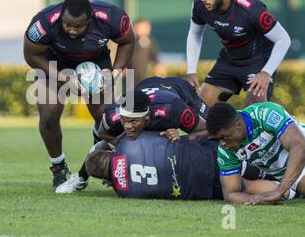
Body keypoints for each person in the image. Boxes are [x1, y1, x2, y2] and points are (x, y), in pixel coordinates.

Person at [23, 0, 135, 189]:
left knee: (106, 118)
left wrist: (114, 72)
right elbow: (31, 54)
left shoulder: (111, 17)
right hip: (54, 64)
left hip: (96, 64)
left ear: (90, 20)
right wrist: (63, 77)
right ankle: (58, 168)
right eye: (67, 25)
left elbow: (128, 41)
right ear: (61, 18)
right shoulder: (44, 21)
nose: (72, 30)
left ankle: (101, 153)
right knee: (49, 115)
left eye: (78, 26)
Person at [55, 82, 208, 193]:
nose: (127, 126)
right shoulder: (114, 114)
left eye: (133, 121)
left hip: (179, 90)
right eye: (124, 121)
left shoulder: (172, 109)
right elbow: (103, 134)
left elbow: (205, 130)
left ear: (147, 117)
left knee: (216, 131)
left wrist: (181, 138)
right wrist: (119, 146)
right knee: (103, 144)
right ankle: (81, 178)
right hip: (146, 85)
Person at [186, 0, 291, 107]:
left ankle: (294, 128)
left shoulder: (252, 10)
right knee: (200, 110)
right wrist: (191, 70)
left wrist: (266, 72)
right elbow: (194, 33)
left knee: (255, 115)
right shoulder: (199, 5)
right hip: (229, 59)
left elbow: (283, 39)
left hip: (258, 61)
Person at [84, 132, 287, 200]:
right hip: (203, 156)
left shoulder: (123, 192)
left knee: (246, 187)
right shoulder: (127, 142)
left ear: (104, 179)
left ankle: (290, 190)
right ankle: (286, 165)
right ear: (109, 152)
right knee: (244, 157)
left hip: (202, 188)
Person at [206, 102, 305, 204]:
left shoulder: (264, 114)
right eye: (218, 140)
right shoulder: (225, 150)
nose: (222, 143)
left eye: (224, 137)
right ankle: (292, 191)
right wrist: (256, 199)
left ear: (237, 126)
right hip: (289, 173)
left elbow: (299, 146)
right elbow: (230, 194)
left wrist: (278, 191)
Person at [125, 19, 159, 85]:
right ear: (135, 27)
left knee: (141, 90)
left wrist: (157, 64)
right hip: (129, 73)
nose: (146, 30)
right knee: (129, 93)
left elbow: (154, 54)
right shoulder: (129, 40)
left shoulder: (149, 41)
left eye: (148, 28)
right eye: (143, 28)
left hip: (143, 74)